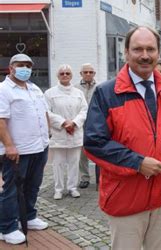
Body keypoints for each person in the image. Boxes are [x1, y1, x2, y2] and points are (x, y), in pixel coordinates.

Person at [83, 26, 161, 249]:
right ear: (126, 52)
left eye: (150, 49)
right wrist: (138, 163)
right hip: (126, 196)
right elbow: (95, 142)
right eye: (138, 49)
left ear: (158, 53)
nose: (145, 55)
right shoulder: (107, 93)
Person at [0, 54, 50, 245]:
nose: (25, 68)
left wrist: (47, 136)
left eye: (28, 65)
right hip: (18, 151)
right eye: (21, 65)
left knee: (33, 186)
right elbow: (1, 120)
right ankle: (7, 227)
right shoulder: (3, 90)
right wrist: (9, 145)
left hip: (40, 147)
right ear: (11, 68)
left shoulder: (34, 88)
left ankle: (28, 216)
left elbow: (43, 112)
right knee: (12, 189)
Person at [45, 65, 88, 200]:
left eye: (67, 73)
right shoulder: (50, 93)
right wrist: (63, 123)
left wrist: (74, 123)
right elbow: (47, 112)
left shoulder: (78, 93)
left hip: (75, 132)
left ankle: (72, 188)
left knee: (74, 163)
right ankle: (58, 189)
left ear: (71, 76)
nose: (65, 75)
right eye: (62, 73)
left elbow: (84, 110)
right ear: (58, 76)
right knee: (58, 163)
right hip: (59, 134)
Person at [75, 63, 97, 189]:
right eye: (85, 72)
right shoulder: (75, 88)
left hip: (96, 123)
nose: (88, 74)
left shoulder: (100, 87)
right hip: (81, 124)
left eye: (90, 72)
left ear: (94, 74)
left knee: (99, 150)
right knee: (82, 152)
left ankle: (100, 177)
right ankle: (84, 177)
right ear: (81, 74)